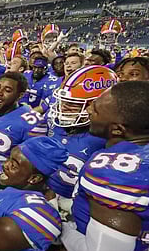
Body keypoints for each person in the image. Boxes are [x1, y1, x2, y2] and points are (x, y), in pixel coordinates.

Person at [62, 81, 149, 251]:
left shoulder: (115, 173)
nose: (89, 110)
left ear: (118, 129)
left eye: (96, 109)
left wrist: (61, 229)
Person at [46, 66, 116, 212]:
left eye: (73, 103)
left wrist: (72, 206)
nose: (63, 107)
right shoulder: (55, 122)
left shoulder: (109, 139)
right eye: (63, 101)